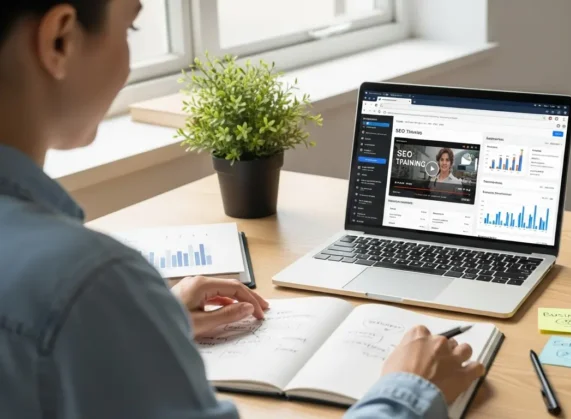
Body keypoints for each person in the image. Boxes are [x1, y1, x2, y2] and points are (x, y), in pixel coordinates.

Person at [0, 1, 485, 418]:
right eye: (130, 28)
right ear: (60, 40)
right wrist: (409, 391)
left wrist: (147, 323)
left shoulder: (85, 294)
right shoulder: (91, 283)